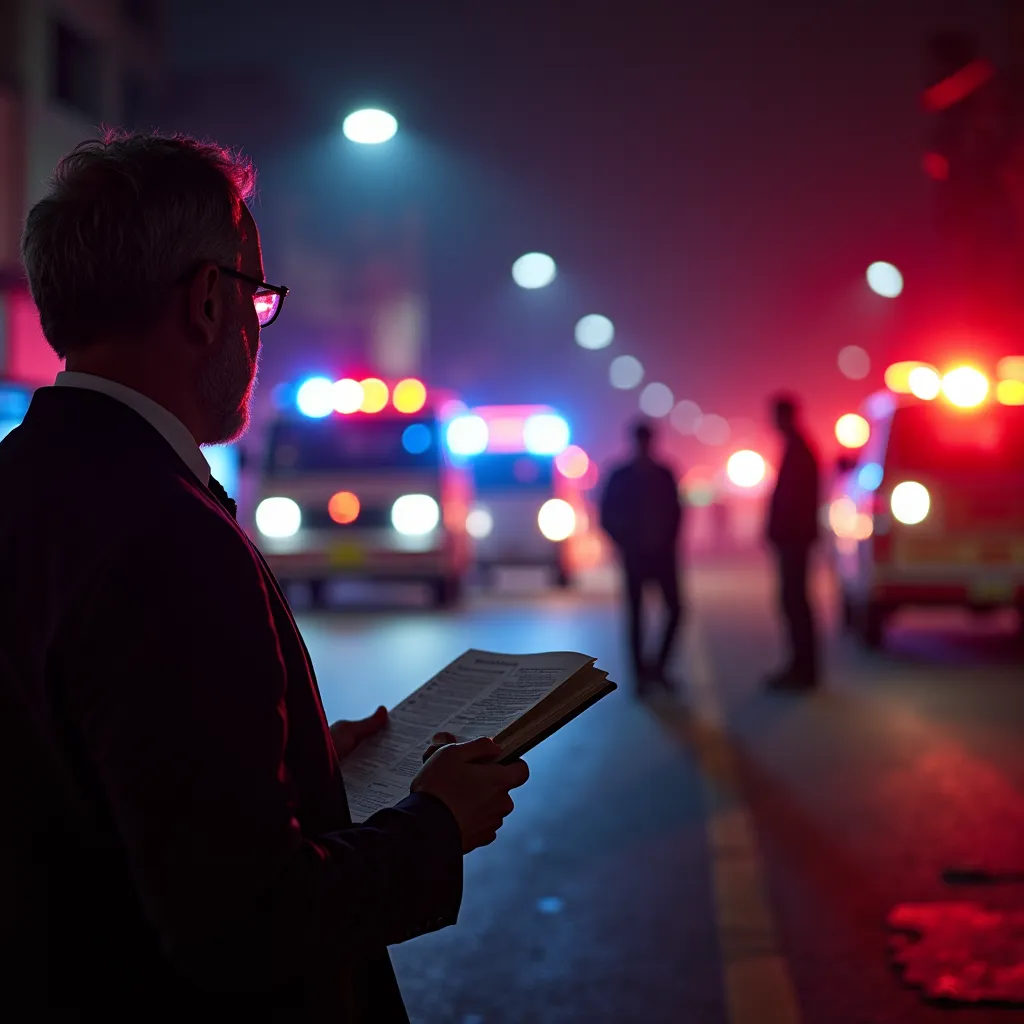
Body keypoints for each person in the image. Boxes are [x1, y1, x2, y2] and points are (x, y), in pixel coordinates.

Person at [0, 131, 529, 1020]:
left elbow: (89, 782)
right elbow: (245, 922)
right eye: (258, 294)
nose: (257, 325)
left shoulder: (21, 486)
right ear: (210, 301)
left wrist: (299, 767)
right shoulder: (167, 537)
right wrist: (434, 825)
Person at [600, 419, 684, 693]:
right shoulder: (624, 476)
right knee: (636, 616)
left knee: (672, 610)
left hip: (659, 555)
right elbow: (607, 515)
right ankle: (642, 675)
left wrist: (666, 541)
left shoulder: (661, 474)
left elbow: (677, 512)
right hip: (637, 554)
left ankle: (656, 669)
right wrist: (624, 540)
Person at [765, 394, 821, 690]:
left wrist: (785, 533)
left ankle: (803, 668)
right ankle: (800, 665)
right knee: (793, 602)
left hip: (795, 542)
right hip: (793, 541)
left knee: (795, 602)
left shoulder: (798, 450)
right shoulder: (796, 448)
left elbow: (796, 501)